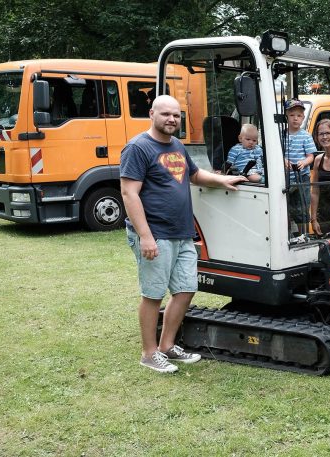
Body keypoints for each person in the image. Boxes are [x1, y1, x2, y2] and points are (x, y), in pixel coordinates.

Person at [120, 95, 248, 374]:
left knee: (185, 290)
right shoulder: (138, 148)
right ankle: (149, 353)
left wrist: (222, 179)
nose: (171, 120)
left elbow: (194, 174)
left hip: (181, 232)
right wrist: (145, 236)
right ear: (152, 113)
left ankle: (167, 346)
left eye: (176, 115)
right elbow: (129, 193)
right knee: (153, 294)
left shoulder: (177, 145)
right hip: (156, 233)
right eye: (165, 114)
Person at [284, 99, 316, 235]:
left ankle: (304, 235)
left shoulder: (306, 136)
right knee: (286, 207)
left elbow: (311, 156)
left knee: (302, 207)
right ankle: (289, 235)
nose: (295, 118)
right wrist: (283, 160)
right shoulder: (281, 135)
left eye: (298, 115)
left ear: (303, 118)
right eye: (292, 115)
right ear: (286, 116)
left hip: (301, 177)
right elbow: (277, 152)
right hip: (285, 177)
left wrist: (304, 162)